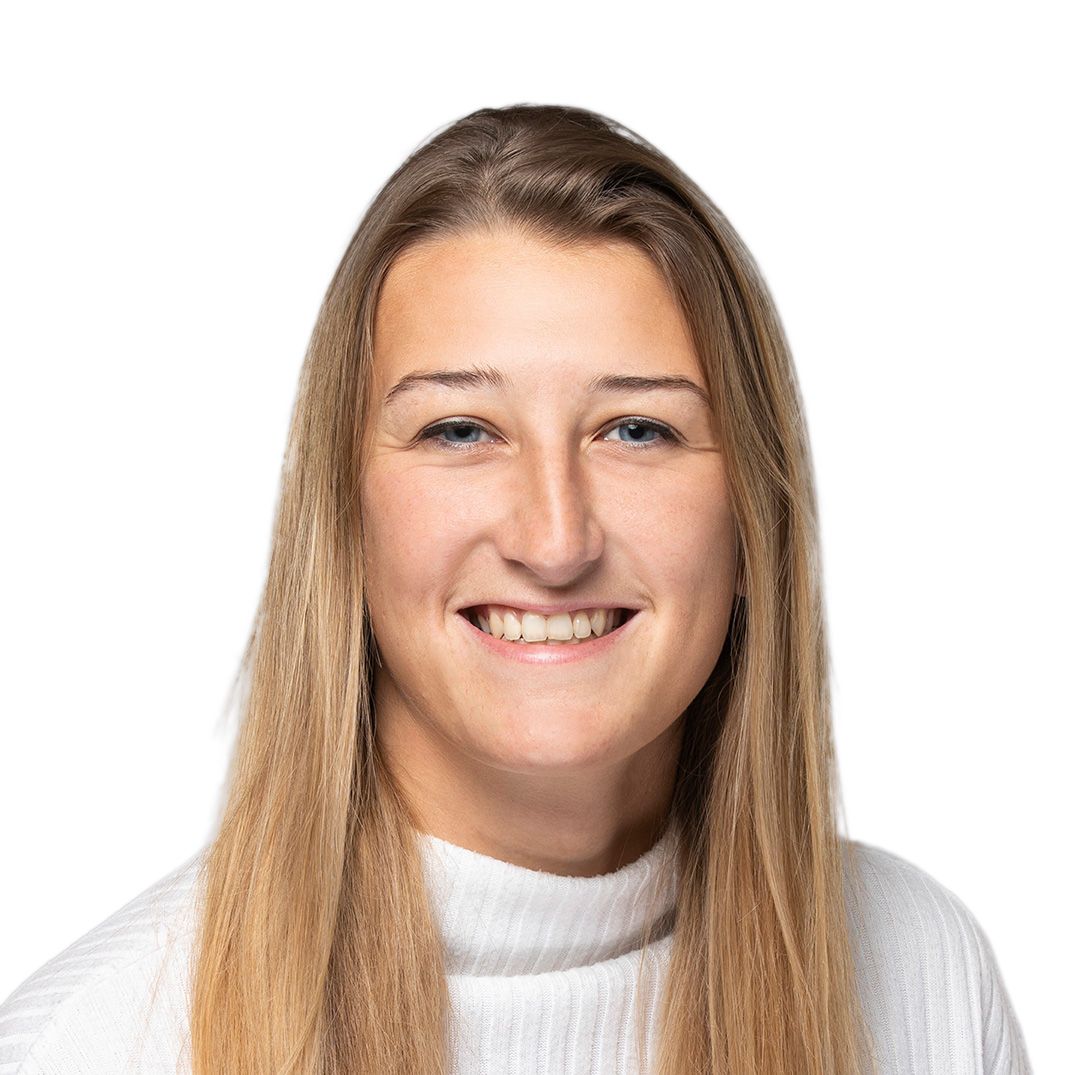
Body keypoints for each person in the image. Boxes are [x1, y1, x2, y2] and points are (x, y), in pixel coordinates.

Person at [0, 103, 1032, 1075]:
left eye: (637, 429)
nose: (553, 539)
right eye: (460, 430)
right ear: (344, 515)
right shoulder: (91, 1043)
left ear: (753, 519)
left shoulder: (922, 977)